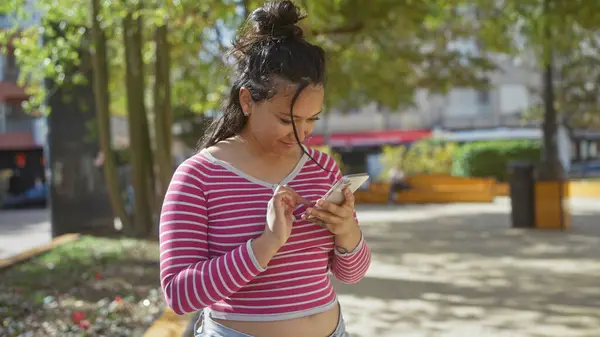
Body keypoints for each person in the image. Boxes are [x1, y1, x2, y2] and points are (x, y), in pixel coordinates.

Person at [158, 2, 372, 337]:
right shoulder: (198, 176)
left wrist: (347, 233)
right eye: (287, 120)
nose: (301, 134)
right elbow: (179, 294)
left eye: (311, 120)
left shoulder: (322, 168)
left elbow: (352, 274)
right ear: (247, 101)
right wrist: (266, 244)